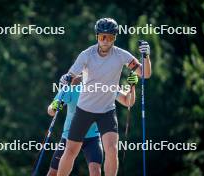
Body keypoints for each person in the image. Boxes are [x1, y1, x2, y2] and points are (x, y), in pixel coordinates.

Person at [57, 17, 151, 176]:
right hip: (84, 109)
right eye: (102, 37)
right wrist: (66, 78)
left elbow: (145, 74)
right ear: (97, 37)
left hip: (107, 111)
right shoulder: (87, 55)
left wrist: (146, 57)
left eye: (110, 37)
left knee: (112, 149)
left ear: (115, 38)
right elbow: (71, 74)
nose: (106, 41)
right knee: (71, 151)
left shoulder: (121, 55)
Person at [46, 73, 138, 176]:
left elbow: (127, 101)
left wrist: (132, 86)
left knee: (95, 171)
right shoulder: (72, 87)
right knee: (53, 173)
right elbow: (51, 111)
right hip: (69, 136)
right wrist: (55, 106)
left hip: (92, 138)